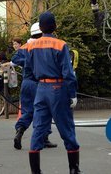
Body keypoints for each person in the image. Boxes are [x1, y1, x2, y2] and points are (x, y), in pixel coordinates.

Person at [24, 12, 80, 174]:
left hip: (40, 89)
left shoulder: (31, 46)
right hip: (58, 88)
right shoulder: (60, 45)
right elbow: (68, 73)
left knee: (39, 128)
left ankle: (35, 171)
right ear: (54, 26)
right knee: (66, 128)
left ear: (40, 27)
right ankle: (73, 169)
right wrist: (72, 94)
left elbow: (28, 69)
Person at [11, 24, 57, 150]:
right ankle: (44, 138)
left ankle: (20, 130)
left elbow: (14, 59)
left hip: (26, 84)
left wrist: (27, 62)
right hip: (40, 84)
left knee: (27, 111)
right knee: (45, 111)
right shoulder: (43, 46)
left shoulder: (25, 46)